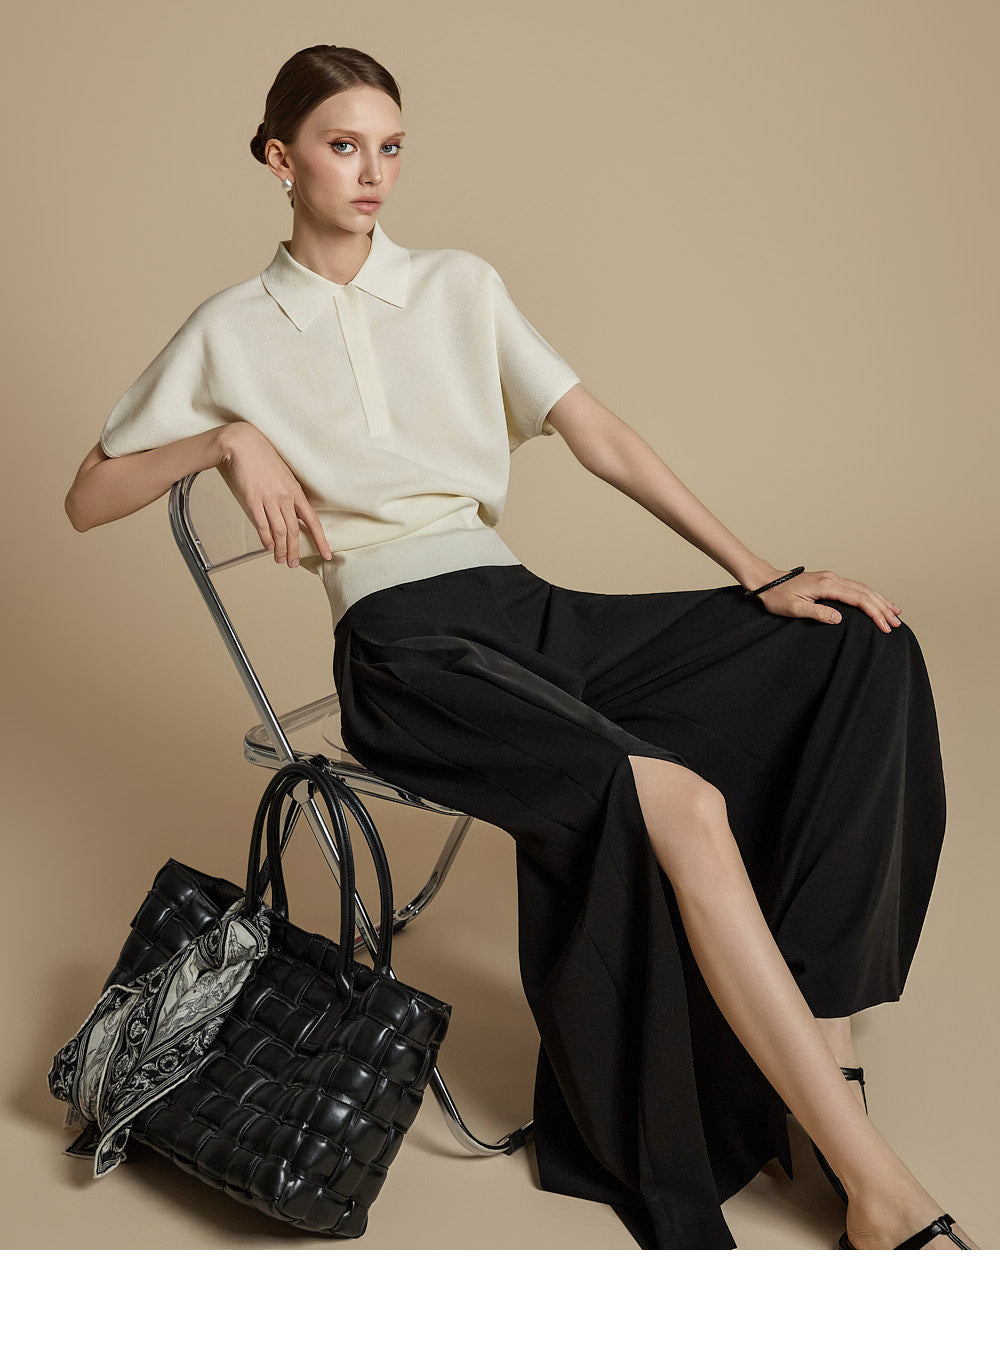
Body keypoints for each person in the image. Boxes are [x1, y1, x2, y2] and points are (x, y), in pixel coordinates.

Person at [64, 43, 979, 1251]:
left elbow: (597, 434)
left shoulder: (457, 287)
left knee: (855, 647)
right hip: (404, 651)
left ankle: (822, 1040)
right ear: (280, 159)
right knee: (677, 799)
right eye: (343, 146)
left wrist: (757, 570)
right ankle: (874, 1188)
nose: (373, 172)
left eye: (392, 146)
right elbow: (88, 497)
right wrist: (224, 438)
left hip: (527, 611)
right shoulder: (229, 330)